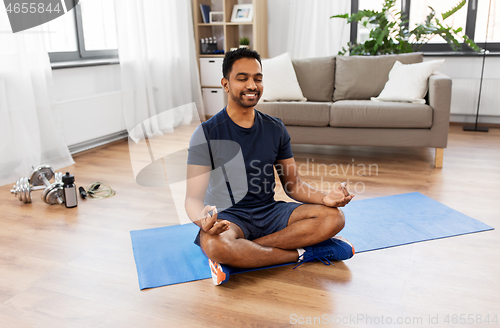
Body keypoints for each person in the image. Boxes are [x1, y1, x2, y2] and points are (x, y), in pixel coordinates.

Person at [185, 48, 355, 285]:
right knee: (215, 243)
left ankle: (237, 255)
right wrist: (203, 220)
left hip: (269, 212)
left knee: (334, 218)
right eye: (242, 78)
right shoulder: (206, 133)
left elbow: (293, 185)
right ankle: (305, 252)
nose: (252, 85)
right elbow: (192, 198)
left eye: (258, 78)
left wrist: (325, 198)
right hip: (229, 217)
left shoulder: (275, 128)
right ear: (225, 84)